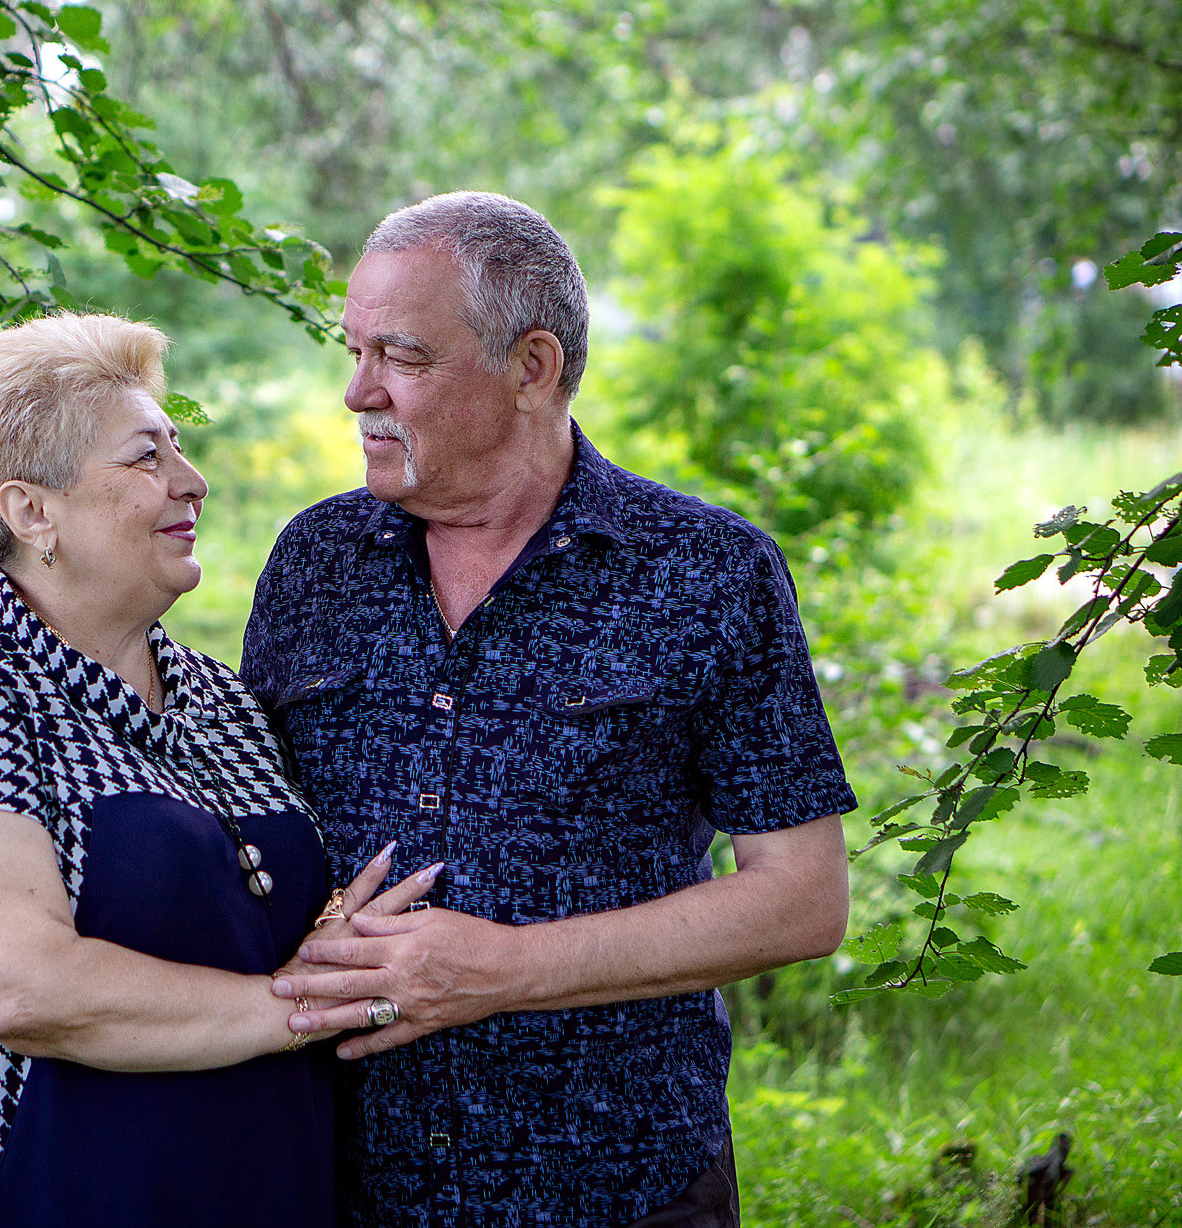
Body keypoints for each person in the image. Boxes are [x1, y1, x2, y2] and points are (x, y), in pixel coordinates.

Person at [245, 193, 857, 1227]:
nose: (358, 392)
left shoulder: (704, 571)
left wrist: (505, 970)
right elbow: (252, 830)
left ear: (531, 366)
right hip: (343, 1179)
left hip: (619, 1181)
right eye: (352, 351)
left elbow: (801, 897)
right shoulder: (314, 561)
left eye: (401, 356)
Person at [0, 312, 425, 1228]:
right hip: (37, 1194)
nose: (192, 481)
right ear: (31, 510)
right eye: (146, 458)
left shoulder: (220, 697)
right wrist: (295, 1009)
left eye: (179, 448)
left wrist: (339, 941)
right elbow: (13, 984)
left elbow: (251, 911)